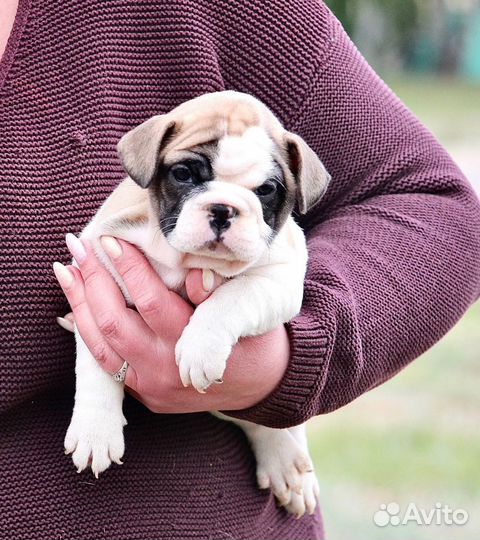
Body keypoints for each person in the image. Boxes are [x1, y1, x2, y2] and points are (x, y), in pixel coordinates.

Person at [1, 1, 479, 539]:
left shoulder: (233, 14)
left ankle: (274, 436)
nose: (223, 213)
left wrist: (278, 366)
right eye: (188, 175)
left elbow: (436, 207)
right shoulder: (124, 228)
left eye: (265, 192)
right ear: (151, 166)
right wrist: (99, 400)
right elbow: (94, 310)